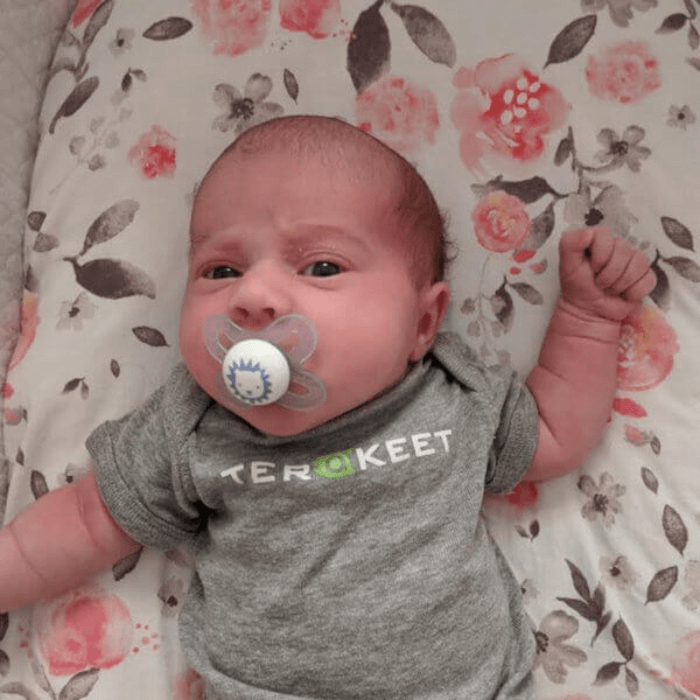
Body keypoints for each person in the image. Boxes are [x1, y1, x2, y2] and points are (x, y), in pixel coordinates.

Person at [0, 115, 655, 699]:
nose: (253, 295)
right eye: (220, 271)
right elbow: (88, 519)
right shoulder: (193, 421)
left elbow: (554, 434)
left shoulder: (452, 390)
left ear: (422, 323)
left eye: (320, 267)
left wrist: (589, 320)